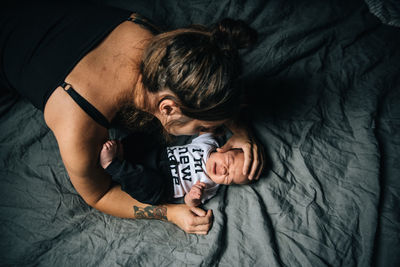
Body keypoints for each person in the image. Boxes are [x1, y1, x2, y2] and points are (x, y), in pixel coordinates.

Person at [0, 0, 264, 234]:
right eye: (205, 126)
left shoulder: (159, 45)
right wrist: (169, 213)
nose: (213, 129)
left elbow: (201, 76)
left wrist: (241, 131)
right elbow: (100, 195)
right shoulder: (78, 126)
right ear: (168, 108)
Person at [99, 133, 251, 207]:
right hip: (158, 156)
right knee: (146, 139)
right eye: (229, 162)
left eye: (229, 178)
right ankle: (123, 154)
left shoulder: (210, 185)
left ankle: (113, 165)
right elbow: (205, 127)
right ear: (224, 149)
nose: (225, 171)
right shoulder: (209, 143)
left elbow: (190, 203)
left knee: (143, 180)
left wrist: (193, 197)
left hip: (162, 186)